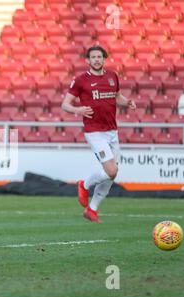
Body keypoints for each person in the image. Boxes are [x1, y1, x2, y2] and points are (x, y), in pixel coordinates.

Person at [61, 45, 136, 223]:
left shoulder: (112, 76)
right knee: (110, 170)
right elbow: (65, 104)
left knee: (112, 174)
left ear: (104, 59)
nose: (96, 59)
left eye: (99, 57)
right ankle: (84, 184)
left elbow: (117, 97)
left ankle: (92, 209)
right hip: (95, 132)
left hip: (112, 131)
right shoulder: (81, 80)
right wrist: (77, 110)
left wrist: (128, 102)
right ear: (88, 60)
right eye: (93, 57)